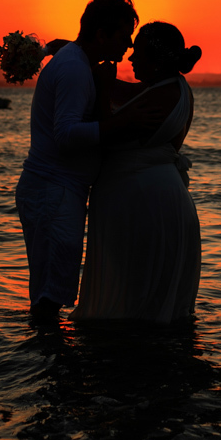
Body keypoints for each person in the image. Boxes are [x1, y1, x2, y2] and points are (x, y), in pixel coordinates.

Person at [15, 0, 161, 323]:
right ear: (101, 35)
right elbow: (66, 134)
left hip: (55, 191)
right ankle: (49, 354)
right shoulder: (74, 69)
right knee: (50, 297)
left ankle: (46, 353)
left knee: (50, 291)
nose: (128, 46)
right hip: (53, 192)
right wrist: (125, 121)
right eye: (123, 37)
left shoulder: (76, 61)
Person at [70, 21, 203, 325]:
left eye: (138, 52)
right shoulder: (170, 87)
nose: (130, 57)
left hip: (144, 203)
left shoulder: (161, 95)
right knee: (148, 300)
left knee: (135, 297)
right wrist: (77, 53)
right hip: (158, 197)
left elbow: (107, 136)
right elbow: (124, 91)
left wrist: (103, 90)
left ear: (156, 60)